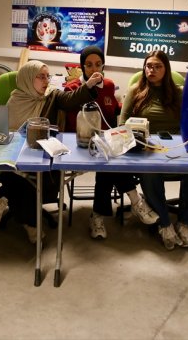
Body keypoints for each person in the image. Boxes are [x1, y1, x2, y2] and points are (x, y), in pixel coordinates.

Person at [0, 59, 102, 244]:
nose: (46, 80)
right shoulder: (15, 99)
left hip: (45, 157)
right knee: (19, 172)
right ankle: (31, 224)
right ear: (27, 79)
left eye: (47, 76)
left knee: (25, 175)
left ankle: (4, 199)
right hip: (17, 154)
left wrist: (88, 85)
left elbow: (71, 99)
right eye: (40, 77)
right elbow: (3, 133)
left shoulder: (53, 96)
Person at [63, 46, 158, 239]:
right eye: (88, 65)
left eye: (98, 64)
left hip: (104, 143)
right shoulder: (72, 87)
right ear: (82, 66)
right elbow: (67, 104)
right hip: (80, 144)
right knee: (109, 163)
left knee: (109, 163)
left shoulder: (108, 85)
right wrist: (88, 86)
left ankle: (97, 216)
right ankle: (135, 200)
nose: (93, 68)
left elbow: (114, 111)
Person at [120, 50, 188, 250]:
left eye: (158, 66)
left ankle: (185, 223)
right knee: (150, 172)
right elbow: (122, 123)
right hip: (147, 147)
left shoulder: (179, 93)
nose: (152, 70)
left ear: (166, 70)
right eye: (149, 66)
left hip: (177, 146)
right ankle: (165, 224)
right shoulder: (135, 91)